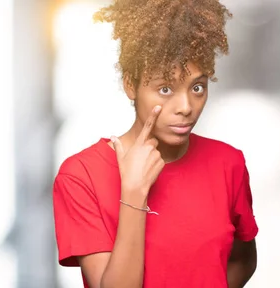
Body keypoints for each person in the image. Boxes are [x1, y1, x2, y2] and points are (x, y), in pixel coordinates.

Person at [52, 0, 258, 287]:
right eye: (165, 89)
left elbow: (243, 260)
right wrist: (134, 193)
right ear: (130, 85)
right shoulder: (81, 175)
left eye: (197, 87)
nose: (186, 106)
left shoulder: (228, 163)